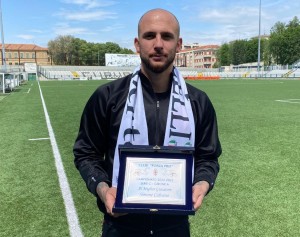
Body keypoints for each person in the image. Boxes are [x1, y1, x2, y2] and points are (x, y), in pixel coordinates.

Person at [73, 8, 222, 237]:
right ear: (137, 43)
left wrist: (203, 183)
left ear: (179, 44)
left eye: (167, 36)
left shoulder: (198, 102)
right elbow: (86, 154)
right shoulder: (107, 97)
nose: (158, 44)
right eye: (150, 35)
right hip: (119, 227)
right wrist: (103, 190)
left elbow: (208, 157)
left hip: (175, 227)